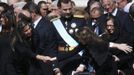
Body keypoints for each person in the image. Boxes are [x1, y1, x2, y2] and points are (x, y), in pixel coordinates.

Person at [22, 2, 60, 75]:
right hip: (32, 67)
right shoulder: (29, 25)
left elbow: (50, 48)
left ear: (33, 13)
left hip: (43, 67)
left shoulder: (47, 26)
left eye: (25, 14)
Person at [51, 0, 87, 74]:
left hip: (77, 60)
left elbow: (86, 44)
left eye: (70, 9)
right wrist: (55, 67)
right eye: (65, 9)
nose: (68, 11)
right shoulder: (54, 23)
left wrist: (83, 64)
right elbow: (52, 47)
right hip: (61, 61)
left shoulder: (80, 21)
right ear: (59, 8)